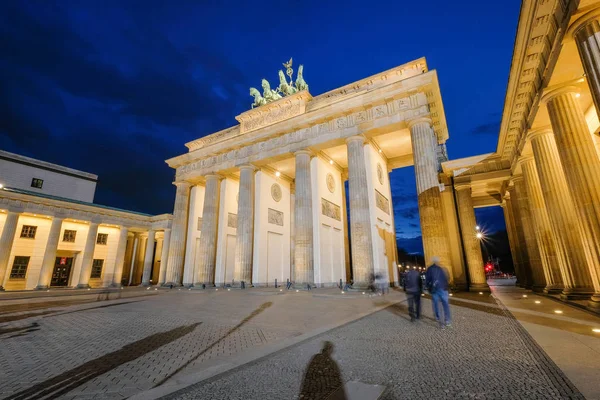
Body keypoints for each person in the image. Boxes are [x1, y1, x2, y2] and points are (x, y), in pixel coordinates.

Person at [425, 256, 451, 329]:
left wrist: (428, 287)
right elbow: (448, 277)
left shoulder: (430, 269)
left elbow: (427, 279)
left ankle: (438, 317)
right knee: (445, 304)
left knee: (436, 304)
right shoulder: (443, 268)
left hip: (434, 289)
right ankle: (447, 320)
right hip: (443, 289)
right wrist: (446, 285)